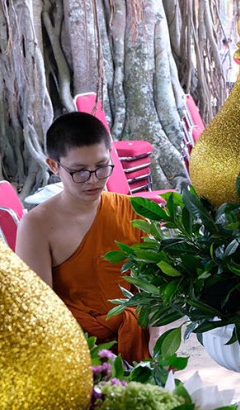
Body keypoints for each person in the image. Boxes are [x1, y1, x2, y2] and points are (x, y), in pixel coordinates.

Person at [17, 112, 152, 362]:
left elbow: (155, 293)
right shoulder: (36, 226)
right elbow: (40, 311)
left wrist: (158, 350)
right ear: (54, 166)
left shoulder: (133, 212)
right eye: (79, 171)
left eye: (102, 168)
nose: (93, 180)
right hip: (75, 351)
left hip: (136, 344)